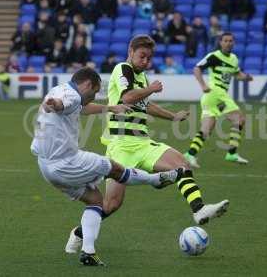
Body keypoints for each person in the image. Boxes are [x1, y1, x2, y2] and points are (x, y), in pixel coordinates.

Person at [31, 67, 181, 266]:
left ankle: (88, 252)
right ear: (87, 85)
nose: (94, 96)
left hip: (46, 167)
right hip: (66, 162)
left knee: (95, 200)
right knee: (114, 168)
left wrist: (110, 108)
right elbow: (64, 104)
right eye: (94, 92)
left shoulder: (59, 90)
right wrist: (55, 105)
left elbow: (80, 107)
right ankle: (155, 180)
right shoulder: (70, 97)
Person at [100, 35, 229, 225]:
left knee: (183, 164)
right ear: (130, 52)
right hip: (121, 146)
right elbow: (127, 97)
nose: (146, 62)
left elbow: (145, 105)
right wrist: (151, 89)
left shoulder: (142, 76)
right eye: (142, 56)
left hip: (142, 143)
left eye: (149, 58)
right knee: (112, 204)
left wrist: (173, 116)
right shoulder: (122, 69)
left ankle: (199, 210)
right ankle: (80, 233)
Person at [184, 32, 253, 168]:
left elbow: (237, 74)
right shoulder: (214, 56)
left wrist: (246, 77)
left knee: (207, 129)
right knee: (239, 119)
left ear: (234, 43)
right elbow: (197, 68)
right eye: (225, 41)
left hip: (212, 98)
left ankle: (190, 154)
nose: (228, 43)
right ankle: (232, 153)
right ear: (220, 42)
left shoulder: (234, 58)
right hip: (216, 93)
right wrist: (203, 85)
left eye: (231, 41)